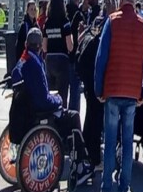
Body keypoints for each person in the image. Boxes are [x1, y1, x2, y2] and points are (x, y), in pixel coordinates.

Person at [93, 0, 143, 192]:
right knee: (127, 143)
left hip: (112, 89)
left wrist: (99, 88)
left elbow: (101, 58)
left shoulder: (112, 21)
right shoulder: (142, 25)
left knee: (110, 141)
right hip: (131, 92)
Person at [11, 28, 92, 183]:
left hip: (28, 111)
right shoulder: (34, 64)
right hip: (40, 113)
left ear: (27, 43)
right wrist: (59, 100)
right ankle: (80, 164)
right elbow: (43, 100)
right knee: (73, 117)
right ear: (40, 45)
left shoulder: (22, 61)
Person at [79, 0, 117, 170]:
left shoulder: (96, 22)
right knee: (96, 115)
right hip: (97, 74)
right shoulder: (108, 24)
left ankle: (86, 149)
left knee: (90, 113)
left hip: (85, 71)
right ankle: (94, 158)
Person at [43, 0, 74, 106]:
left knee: (50, 94)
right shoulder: (65, 22)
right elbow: (69, 46)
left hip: (49, 60)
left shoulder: (47, 22)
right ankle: (61, 120)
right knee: (62, 96)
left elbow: (44, 47)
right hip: (62, 60)